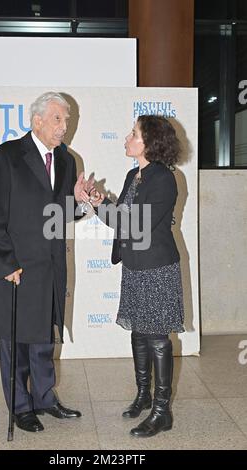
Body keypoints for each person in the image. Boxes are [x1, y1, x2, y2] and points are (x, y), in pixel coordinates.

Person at [0, 92, 90, 433]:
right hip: (17, 267)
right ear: (37, 120)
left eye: (67, 120)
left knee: (43, 337)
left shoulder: (68, 160)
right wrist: (4, 262)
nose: (64, 127)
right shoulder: (8, 156)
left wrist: (82, 203)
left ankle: (44, 398)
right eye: (58, 119)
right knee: (15, 343)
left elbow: (58, 214)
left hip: (50, 266)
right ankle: (20, 406)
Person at [80, 115, 184, 438]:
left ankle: (162, 410)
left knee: (157, 338)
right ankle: (143, 395)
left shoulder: (164, 179)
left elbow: (137, 223)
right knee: (138, 332)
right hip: (135, 266)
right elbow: (123, 217)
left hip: (157, 268)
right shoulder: (132, 175)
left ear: (149, 143)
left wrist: (101, 207)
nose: (127, 137)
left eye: (134, 133)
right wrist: (99, 201)